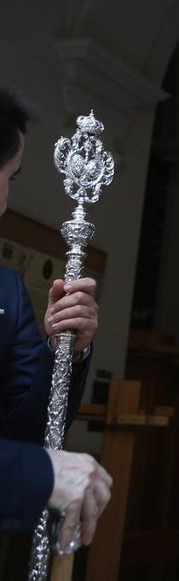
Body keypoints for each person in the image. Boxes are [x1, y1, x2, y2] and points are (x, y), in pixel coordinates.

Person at [0, 87, 111, 553]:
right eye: (8, 176)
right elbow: (34, 462)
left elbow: (28, 432)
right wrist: (38, 474)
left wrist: (65, 349)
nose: (5, 199)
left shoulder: (7, 292)